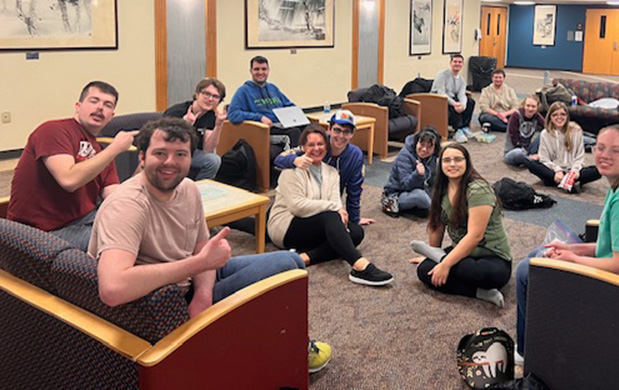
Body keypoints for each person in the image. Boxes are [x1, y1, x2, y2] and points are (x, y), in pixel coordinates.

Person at [89, 117, 331, 373]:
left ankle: (287, 342)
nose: (170, 162)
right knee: (280, 278)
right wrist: (199, 264)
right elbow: (112, 289)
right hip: (170, 298)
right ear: (142, 158)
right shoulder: (127, 205)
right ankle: (284, 350)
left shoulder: (189, 189)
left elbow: (201, 247)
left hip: (194, 281)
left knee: (290, 262)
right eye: (160, 153)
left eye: (180, 154)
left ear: (190, 159)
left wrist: (204, 296)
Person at [514, 124, 619, 365]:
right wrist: (572, 249)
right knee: (540, 254)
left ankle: (528, 351)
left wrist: (574, 260)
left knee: (527, 272)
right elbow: (611, 245)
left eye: (615, 150)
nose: (604, 155)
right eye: (600, 148)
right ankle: (540, 333)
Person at [7, 81, 137, 251]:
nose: (100, 108)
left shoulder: (101, 153)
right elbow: (68, 180)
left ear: (112, 115)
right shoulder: (53, 130)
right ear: (78, 106)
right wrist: (115, 148)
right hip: (43, 232)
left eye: (107, 105)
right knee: (124, 242)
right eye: (94, 101)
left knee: (142, 226)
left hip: (86, 219)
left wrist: (144, 169)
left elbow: (117, 199)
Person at [268, 124, 394, 286]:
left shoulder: (332, 172)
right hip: (285, 226)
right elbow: (297, 207)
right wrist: (335, 208)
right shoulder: (291, 171)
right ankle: (360, 267)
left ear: (326, 147)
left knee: (355, 232)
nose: (316, 149)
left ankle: (306, 257)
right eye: (311, 145)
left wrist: (339, 210)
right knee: (332, 217)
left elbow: (336, 200)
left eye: (320, 144)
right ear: (303, 147)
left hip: (314, 224)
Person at [409, 144, 512, 307]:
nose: (452, 164)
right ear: (440, 164)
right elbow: (437, 225)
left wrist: (445, 264)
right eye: (447, 160)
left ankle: (440, 257)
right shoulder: (442, 188)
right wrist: (433, 254)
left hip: (492, 258)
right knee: (424, 270)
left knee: (485, 275)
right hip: (464, 254)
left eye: (458, 159)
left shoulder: (478, 190)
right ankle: (481, 293)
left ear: (467, 162)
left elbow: (475, 236)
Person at [275, 110, 375, 225]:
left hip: (328, 203)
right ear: (329, 129)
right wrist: (294, 160)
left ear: (352, 134)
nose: (341, 136)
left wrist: (355, 219)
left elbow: (355, 190)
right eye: (337, 130)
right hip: (303, 199)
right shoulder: (318, 144)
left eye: (346, 132)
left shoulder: (355, 155)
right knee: (268, 226)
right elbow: (279, 159)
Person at [227, 55, 301, 156]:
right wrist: (260, 117)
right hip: (264, 130)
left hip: (282, 125)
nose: (260, 72)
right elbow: (233, 114)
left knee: (310, 128)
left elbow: (289, 105)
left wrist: (298, 115)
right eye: (257, 69)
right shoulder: (243, 91)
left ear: (268, 70)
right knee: (295, 133)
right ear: (251, 71)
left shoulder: (273, 88)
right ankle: (292, 164)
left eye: (264, 69)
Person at [526, 102, 600, 192]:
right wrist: (557, 170)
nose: (559, 117)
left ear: (567, 117)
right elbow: (544, 159)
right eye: (555, 115)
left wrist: (574, 171)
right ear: (551, 118)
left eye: (563, 114)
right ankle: (568, 183)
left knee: (598, 170)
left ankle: (560, 181)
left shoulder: (576, 131)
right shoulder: (545, 134)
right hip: (553, 171)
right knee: (532, 164)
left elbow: (579, 156)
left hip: (572, 170)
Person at [162, 77, 226, 180]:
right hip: (169, 151)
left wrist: (218, 126)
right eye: (206, 94)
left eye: (215, 96)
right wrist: (186, 125)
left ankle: (199, 189)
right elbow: (166, 141)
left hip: (192, 152)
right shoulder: (176, 112)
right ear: (197, 94)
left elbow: (208, 149)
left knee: (214, 160)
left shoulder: (210, 116)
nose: (210, 99)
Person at [382, 127, 441, 216]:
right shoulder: (405, 155)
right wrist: (418, 175)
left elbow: (433, 182)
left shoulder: (431, 158)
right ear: (416, 142)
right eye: (422, 144)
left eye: (429, 147)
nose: (424, 149)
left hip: (421, 189)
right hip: (398, 193)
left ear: (434, 150)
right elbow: (405, 185)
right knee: (421, 198)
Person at [431, 54, 475, 136]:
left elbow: (462, 94)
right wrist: (454, 103)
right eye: (455, 62)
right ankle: (458, 129)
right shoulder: (442, 75)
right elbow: (441, 93)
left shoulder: (462, 80)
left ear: (462, 64)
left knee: (470, 102)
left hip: (451, 98)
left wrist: (463, 105)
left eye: (459, 62)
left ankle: (464, 127)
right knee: (454, 104)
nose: (457, 64)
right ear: (450, 63)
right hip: (437, 99)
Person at [504, 95, 545, 168]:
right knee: (519, 153)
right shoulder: (516, 115)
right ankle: (531, 159)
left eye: (533, 106)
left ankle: (530, 159)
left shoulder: (537, 116)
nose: (530, 109)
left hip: (528, 150)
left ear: (537, 108)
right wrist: (526, 153)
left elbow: (548, 127)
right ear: (524, 105)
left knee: (544, 133)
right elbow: (514, 137)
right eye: (528, 106)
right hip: (513, 151)